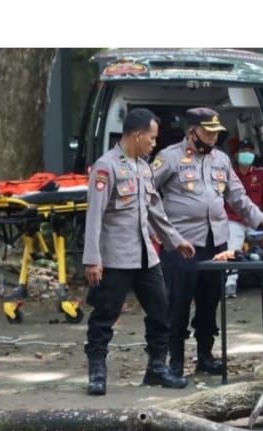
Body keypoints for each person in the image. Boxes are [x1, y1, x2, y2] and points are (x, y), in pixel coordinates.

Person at [151, 107, 263, 377]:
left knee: (209, 301)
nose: (213, 138)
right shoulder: (168, 158)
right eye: (208, 132)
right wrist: (158, 229)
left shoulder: (221, 160)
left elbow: (238, 196)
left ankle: (205, 355)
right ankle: (175, 361)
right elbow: (147, 191)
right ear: (192, 132)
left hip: (216, 242)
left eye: (216, 133)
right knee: (178, 301)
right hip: (181, 244)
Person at [82, 108, 195, 396]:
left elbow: (156, 210)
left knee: (161, 309)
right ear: (137, 134)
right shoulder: (106, 167)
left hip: (146, 255)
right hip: (115, 257)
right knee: (105, 316)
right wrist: (92, 259)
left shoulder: (144, 168)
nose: (154, 143)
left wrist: (175, 240)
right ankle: (97, 372)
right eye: (152, 137)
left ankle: (157, 368)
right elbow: (94, 217)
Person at [224, 138, 263, 298]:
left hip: (257, 221)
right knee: (232, 246)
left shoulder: (261, 173)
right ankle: (229, 284)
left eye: (250, 151)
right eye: (243, 151)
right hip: (234, 220)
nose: (247, 154)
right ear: (235, 155)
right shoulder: (230, 174)